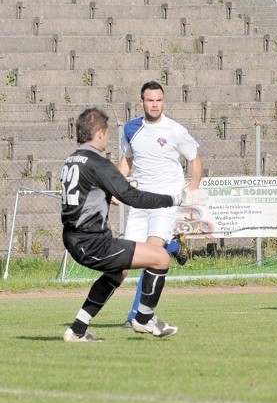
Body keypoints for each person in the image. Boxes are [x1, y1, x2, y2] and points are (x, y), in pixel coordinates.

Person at [61, 108, 184, 342]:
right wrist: (171, 199)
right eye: (106, 133)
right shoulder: (98, 164)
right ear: (99, 134)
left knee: (118, 272)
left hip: (75, 238)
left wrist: (106, 195)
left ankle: (77, 330)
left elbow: (86, 194)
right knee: (160, 258)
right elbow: (132, 197)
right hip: (93, 241)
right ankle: (144, 319)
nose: (107, 139)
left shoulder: (72, 160)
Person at [119, 81, 202, 328]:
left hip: (165, 202)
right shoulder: (130, 129)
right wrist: (115, 187)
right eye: (150, 100)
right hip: (140, 202)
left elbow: (195, 158)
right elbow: (126, 161)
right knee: (123, 264)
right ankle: (176, 246)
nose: (155, 104)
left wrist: (193, 185)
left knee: (152, 255)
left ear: (163, 102)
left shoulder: (175, 130)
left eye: (159, 100)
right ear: (142, 102)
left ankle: (136, 316)